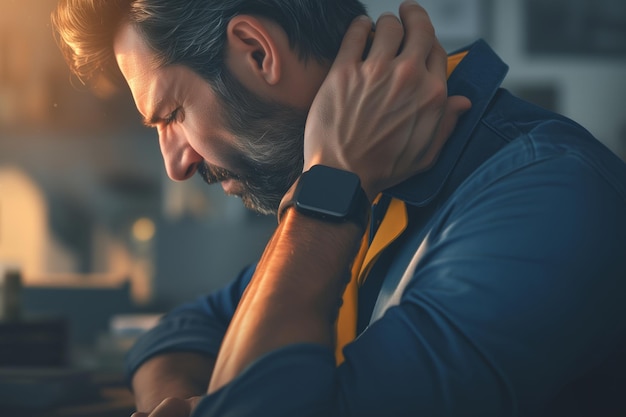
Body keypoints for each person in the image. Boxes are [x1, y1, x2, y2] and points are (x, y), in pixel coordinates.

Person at [51, 0, 626, 416]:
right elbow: (183, 331)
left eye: (172, 114)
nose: (174, 163)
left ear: (257, 51)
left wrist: (332, 183)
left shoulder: (544, 195)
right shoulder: (380, 186)